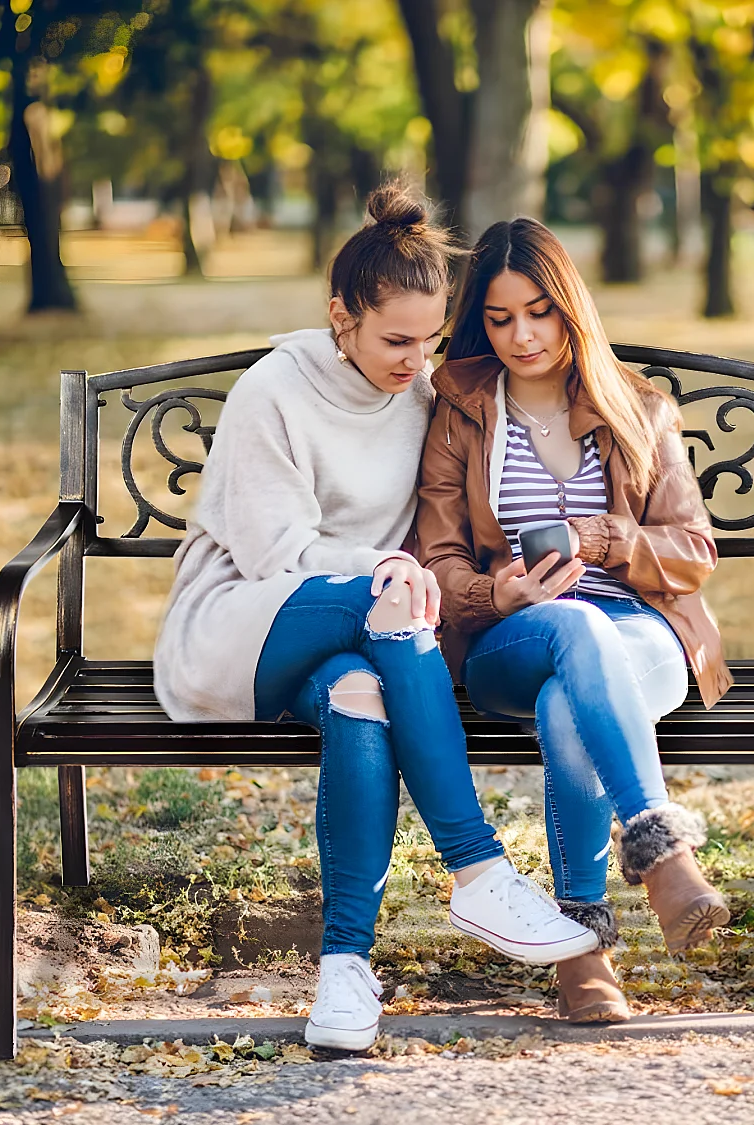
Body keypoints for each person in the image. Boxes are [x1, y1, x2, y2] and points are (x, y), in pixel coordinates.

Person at [153, 187, 597, 1052]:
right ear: (339, 317)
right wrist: (385, 572)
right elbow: (277, 555)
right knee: (387, 602)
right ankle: (475, 867)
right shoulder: (271, 392)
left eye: (430, 340)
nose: (416, 361)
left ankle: (345, 971)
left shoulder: (424, 396)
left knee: (361, 697)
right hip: (237, 622)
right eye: (396, 340)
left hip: (375, 632)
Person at [415, 216, 735, 1024]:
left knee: (574, 694)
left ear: (570, 308)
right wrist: (501, 594)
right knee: (571, 633)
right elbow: (439, 557)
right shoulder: (460, 410)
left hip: (643, 634)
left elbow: (694, 549)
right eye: (499, 317)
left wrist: (608, 541)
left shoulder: (639, 408)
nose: (521, 335)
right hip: (513, 637)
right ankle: (663, 856)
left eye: (539, 312)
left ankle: (580, 947)